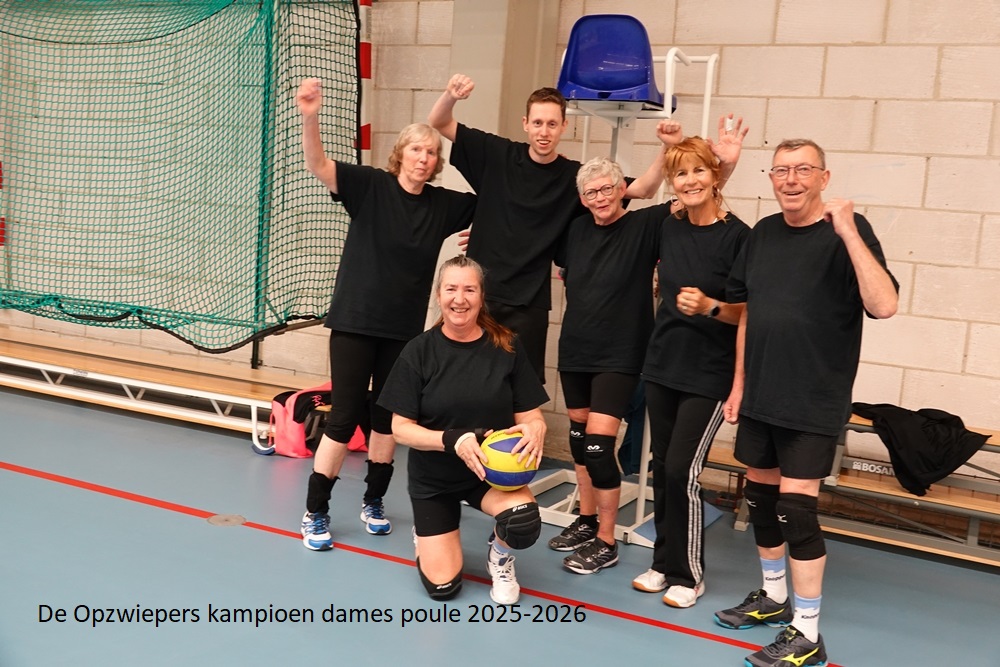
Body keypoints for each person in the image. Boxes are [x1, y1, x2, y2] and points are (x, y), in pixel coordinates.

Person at [716, 139, 898, 667]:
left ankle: (808, 633)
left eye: (803, 169)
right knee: (760, 501)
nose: (791, 179)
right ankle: (774, 598)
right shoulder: (763, 234)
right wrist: (739, 384)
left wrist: (848, 231)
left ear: (824, 177)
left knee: (796, 513)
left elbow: (884, 305)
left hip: (812, 399)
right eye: (781, 170)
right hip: (760, 395)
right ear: (771, 178)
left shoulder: (849, 233)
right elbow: (749, 314)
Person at [295, 78, 477, 550]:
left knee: (387, 419)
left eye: (432, 152)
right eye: (416, 149)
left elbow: (495, 206)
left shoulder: (442, 205)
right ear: (401, 154)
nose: (424, 158)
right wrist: (310, 115)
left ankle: (373, 501)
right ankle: (315, 511)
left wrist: (481, 233)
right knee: (343, 418)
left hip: (402, 332)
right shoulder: (370, 185)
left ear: (437, 163)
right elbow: (318, 164)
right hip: (355, 323)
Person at [427, 73, 668, 383]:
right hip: (480, 294)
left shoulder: (574, 178)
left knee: (520, 389)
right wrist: (452, 95)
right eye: (538, 123)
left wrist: (667, 147)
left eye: (552, 124)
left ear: (564, 126)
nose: (544, 132)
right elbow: (439, 121)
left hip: (529, 303)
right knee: (462, 379)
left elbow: (644, 189)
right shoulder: (496, 153)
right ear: (526, 123)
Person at [377, 255, 549, 605]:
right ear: (438, 295)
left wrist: (536, 428)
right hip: (434, 480)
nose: (460, 299)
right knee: (443, 589)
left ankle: (499, 558)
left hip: (489, 476)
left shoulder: (506, 346)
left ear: (482, 297)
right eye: (451, 289)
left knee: (523, 522)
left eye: (470, 289)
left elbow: (532, 415)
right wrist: (452, 439)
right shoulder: (418, 352)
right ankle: (427, 533)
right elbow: (400, 430)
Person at [631, 128, 750, 608]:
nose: (690, 180)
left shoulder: (739, 236)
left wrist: (709, 307)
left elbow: (747, 312)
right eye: (681, 174)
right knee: (663, 469)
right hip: (663, 365)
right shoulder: (670, 225)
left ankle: (688, 574)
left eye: (699, 170)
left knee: (682, 470)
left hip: (709, 374)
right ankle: (663, 562)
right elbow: (635, 195)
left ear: (715, 174)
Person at [551, 156, 674, 574]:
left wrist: (675, 152)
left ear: (623, 189)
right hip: (575, 349)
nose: (600, 198)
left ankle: (606, 540)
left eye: (607, 188)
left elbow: (693, 198)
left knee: (599, 449)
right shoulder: (575, 230)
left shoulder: (645, 225)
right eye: (591, 192)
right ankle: (585, 521)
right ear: (582, 199)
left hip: (620, 353)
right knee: (578, 440)